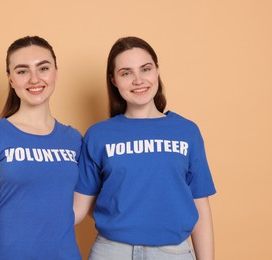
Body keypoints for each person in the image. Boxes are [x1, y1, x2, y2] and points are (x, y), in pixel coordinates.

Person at [73, 36, 216, 260]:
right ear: (113, 80)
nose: (138, 80)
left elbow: (201, 208)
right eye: (126, 73)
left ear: (157, 71)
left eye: (145, 69)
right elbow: (78, 209)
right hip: (111, 252)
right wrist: (10, 216)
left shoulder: (186, 132)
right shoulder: (98, 135)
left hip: (173, 252)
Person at [0, 36, 82, 260]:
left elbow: (75, 208)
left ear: (55, 72)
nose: (34, 79)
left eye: (43, 68)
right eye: (22, 71)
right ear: (10, 79)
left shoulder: (74, 139)